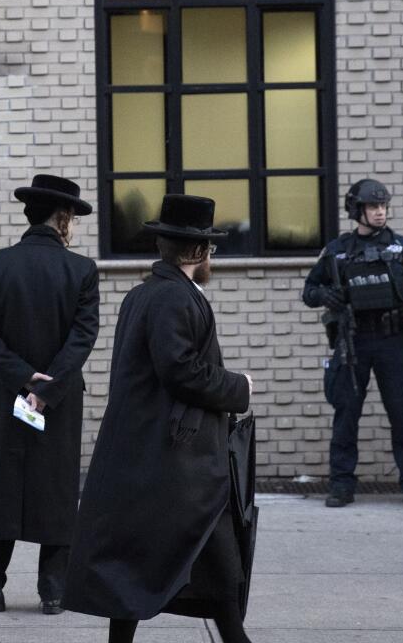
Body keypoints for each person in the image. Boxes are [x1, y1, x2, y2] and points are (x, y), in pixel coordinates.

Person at [63, 194, 254, 643]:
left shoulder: (149, 292)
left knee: (190, 572)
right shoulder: (173, 297)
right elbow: (179, 370)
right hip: (181, 468)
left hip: (161, 460)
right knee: (219, 572)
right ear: (197, 251)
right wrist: (239, 386)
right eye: (211, 248)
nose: (212, 256)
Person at [0, 175, 99, 615]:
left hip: (3, 392)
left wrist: (23, 379)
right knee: (57, 483)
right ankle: (54, 589)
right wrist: (47, 387)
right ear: (64, 217)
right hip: (61, 396)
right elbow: (83, 336)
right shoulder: (82, 269)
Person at [301, 178, 403, 509]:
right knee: (346, 415)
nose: (380, 213)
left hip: (393, 340)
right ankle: (341, 485)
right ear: (357, 210)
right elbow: (308, 291)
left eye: (383, 207)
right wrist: (324, 294)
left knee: (401, 414)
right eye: (373, 207)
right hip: (353, 340)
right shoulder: (337, 250)